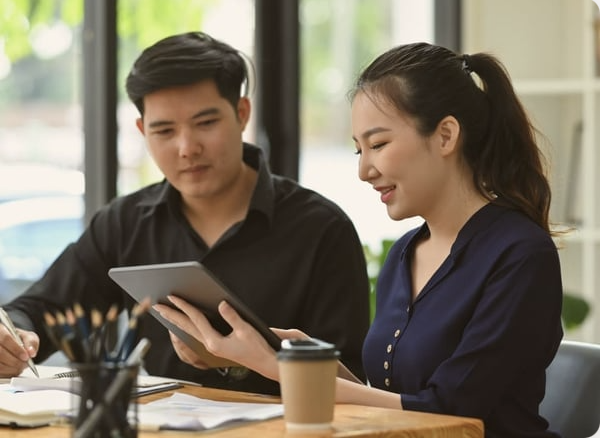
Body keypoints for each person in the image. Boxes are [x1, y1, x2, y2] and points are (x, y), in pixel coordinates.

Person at [155, 42, 564, 437]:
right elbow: (389, 400)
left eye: (379, 144)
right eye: (358, 151)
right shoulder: (405, 252)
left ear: (445, 135)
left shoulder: (520, 255)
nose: (364, 170)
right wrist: (303, 356)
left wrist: (277, 368)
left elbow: (450, 411)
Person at [0, 32, 371, 395]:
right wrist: (14, 335)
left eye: (205, 124)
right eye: (163, 130)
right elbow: (43, 309)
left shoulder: (321, 229)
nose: (186, 148)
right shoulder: (125, 222)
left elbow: (349, 381)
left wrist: (237, 360)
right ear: (143, 130)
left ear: (242, 114)